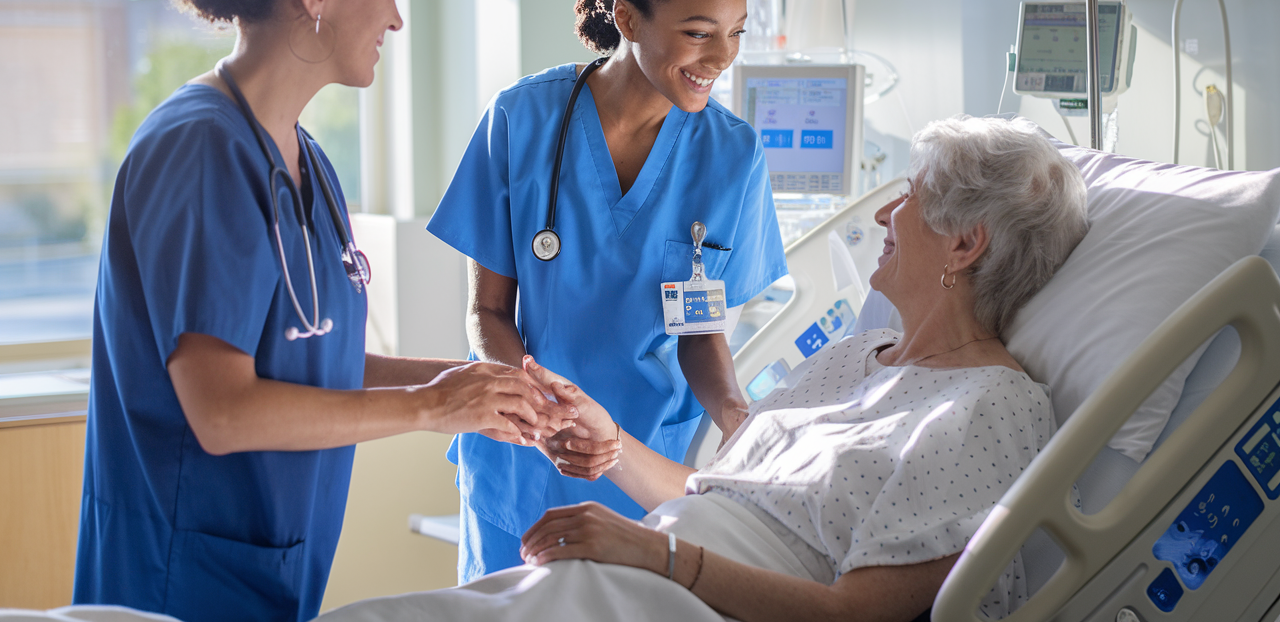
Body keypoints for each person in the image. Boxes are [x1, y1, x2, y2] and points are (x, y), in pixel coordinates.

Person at [319, 116, 1090, 622]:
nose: (885, 217)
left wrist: (652, 552)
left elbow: (856, 615)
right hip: (653, 568)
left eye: (912, 202)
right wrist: (611, 440)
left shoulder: (994, 406)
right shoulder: (854, 359)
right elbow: (718, 497)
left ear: (966, 246)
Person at [73, 0, 570, 622]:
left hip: (272, 574)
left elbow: (318, 358)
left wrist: (487, 389)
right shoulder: (202, 150)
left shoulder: (305, 161)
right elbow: (224, 412)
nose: (397, 19)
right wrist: (429, 409)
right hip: (178, 580)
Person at [426, 0, 788, 581]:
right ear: (627, 19)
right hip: (522, 453)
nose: (722, 56)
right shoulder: (523, 119)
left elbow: (699, 333)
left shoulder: (730, 154)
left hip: (641, 472)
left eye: (736, 33)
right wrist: (543, 414)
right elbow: (489, 313)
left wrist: (738, 412)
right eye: (698, 31)